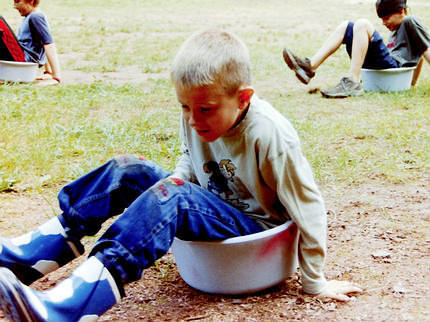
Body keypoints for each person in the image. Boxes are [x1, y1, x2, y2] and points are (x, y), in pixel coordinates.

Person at [0, 29, 361, 321]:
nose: (192, 119)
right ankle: (32, 257)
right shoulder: (196, 113)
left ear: (244, 98)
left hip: (254, 228)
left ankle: (69, 307)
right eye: (185, 107)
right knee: (129, 170)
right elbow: (190, 160)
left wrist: (314, 280)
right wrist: (169, 187)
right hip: (208, 205)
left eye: (205, 109)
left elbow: (309, 205)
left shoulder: (270, 134)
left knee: (173, 195)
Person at [282, 0, 430, 98]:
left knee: (363, 24)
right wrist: (411, 83)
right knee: (347, 26)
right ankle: (310, 66)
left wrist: (408, 83)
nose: (384, 23)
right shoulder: (396, 30)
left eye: (387, 18)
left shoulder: (410, 21)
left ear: (402, 11)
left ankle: (353, 79)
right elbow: (418, 53)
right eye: (381, 19)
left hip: (392, 66)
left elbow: (426, 50)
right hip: (383, 66)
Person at [0, 0, 61, 83]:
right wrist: (48, 71)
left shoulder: (36, 16)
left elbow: (48, 44)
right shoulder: (29, 16)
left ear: (31, 1)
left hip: (23, 59)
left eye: (17, 1)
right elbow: (42, 43)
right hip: (21, 58)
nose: (14, 6)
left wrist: (56, 77)